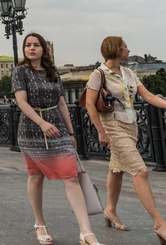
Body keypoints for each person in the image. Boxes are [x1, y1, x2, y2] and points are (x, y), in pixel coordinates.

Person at [85, 37, 166, 244]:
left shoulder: (129, 73)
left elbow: (148, 96)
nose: (128, 50)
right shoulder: (99, 74)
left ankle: (110, 211)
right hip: (113, 127)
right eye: (125, 47)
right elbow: (89, 105)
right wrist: (101, 131)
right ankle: (160, 224)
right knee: (140, 171)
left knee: (117, 168)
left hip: (131, 127)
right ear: (115, 50)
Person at [12, 33, 102, 245]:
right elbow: (21, 102)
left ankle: (86, 232)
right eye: (27, 45)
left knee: (71, 176)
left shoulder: (52, 72)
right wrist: (41, 123)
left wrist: (71, 133)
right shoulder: (20, 71)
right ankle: (40, 223)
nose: (31, 48)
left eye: (36, 45)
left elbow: (62, 103)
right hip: (32, 132)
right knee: (36, 176)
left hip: (58, 130)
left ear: (44, 49)